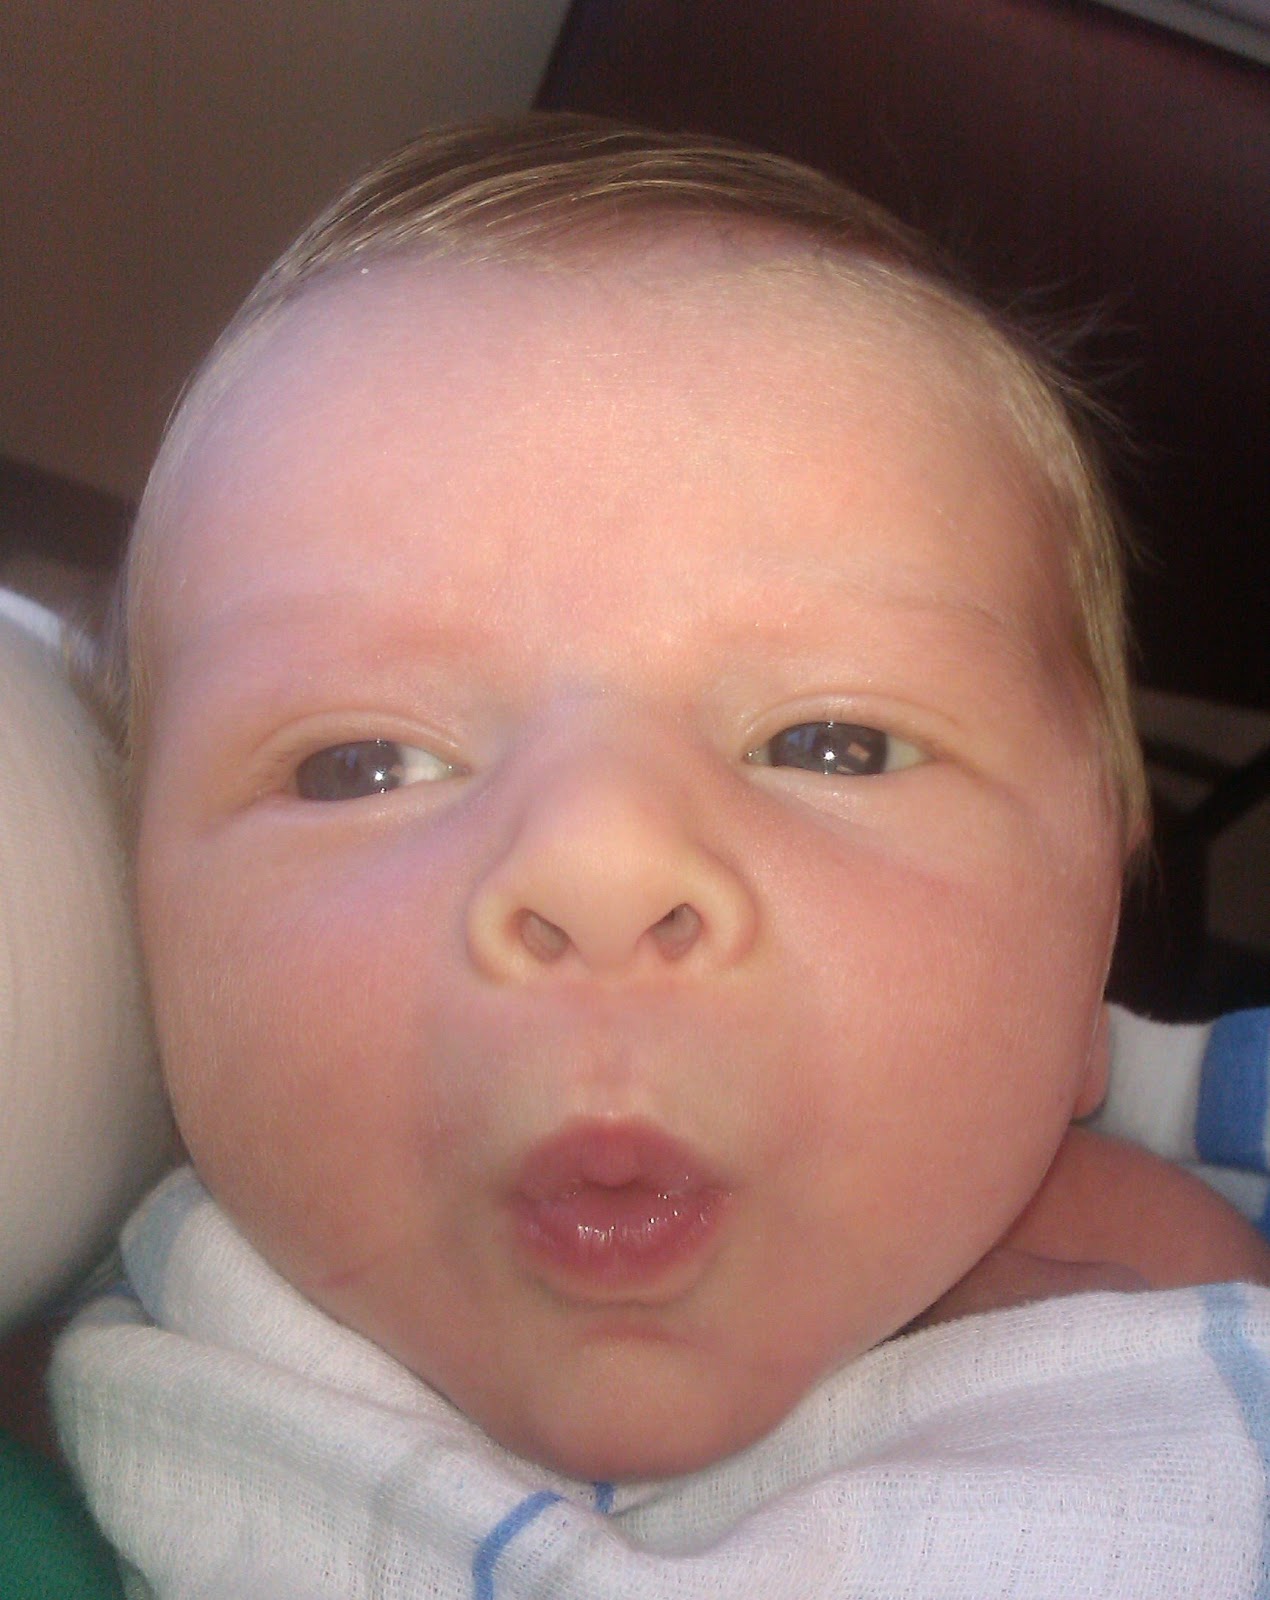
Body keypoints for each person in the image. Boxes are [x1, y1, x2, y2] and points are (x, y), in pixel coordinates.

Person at [51, 115, 1270, 1596]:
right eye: (359, 764)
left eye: (832, 744)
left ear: (1090, 946)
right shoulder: (94, 1377)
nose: (601, 866)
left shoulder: (1175, 1279)